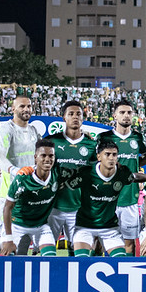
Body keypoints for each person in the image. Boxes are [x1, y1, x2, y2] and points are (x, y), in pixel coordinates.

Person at [68, 140, 146, 257]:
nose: (111, 158)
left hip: (110, 228)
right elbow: (66, 185)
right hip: (84, 227)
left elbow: (134, 177)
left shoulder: (122, 173)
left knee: (121, 261)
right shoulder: (86, 173)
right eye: (107, 154)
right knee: (82, 261)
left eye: (114, 155)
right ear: (99, 156)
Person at [97, 99, 146, 255]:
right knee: (101, 243)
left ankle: (125, 274)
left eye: (129, 112)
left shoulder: (137, 138)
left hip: (129, 199)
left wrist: (137, 164)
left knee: (129, 244)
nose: (126, 115)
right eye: (122, 112)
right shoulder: (104, 138)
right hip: (106, 199)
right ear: (114, 116)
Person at [0, 95, 42, 253]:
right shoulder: (5, 129)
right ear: (13, 109)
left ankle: (18, 274)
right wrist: (14, 170)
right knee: (0, 238)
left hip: (28, 192)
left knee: (23, 240)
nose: (26, 109)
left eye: (29, 106)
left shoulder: (33, 130)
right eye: (22, 106)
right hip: (7, 191)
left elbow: (45, 150)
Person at [46, 100, 98, 256]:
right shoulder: (51, 141)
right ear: (63, 117)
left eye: (78, 114)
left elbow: (95, 175)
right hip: (52, 206)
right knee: (45, 251)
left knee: (78, 252)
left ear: (83, 118)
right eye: (71, 114)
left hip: (79, 208)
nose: (75, 117)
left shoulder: (91, 145)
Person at [0, 139, 69, 257]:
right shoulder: (22, 179)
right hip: (17, 225)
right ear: (35, 157)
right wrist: (9, 238)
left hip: (41, 226)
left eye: (51, 156)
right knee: (9, 260)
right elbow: (7, 207)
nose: (47, 159)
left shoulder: (58, 175)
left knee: (50, 259)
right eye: (43, 155)